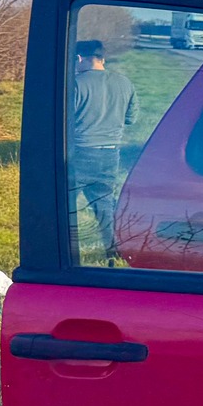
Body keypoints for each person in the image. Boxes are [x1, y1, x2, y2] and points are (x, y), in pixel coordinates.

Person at [70, 39, 135, 262]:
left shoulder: (75, 84)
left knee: (65, 203)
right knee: (105, 203)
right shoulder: (124, 82)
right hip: (110, 153)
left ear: (79, 58)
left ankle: (65, 252)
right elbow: (131, 118)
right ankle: (112, 249)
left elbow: (63, 120)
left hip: (80, 152)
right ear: (102, 59)